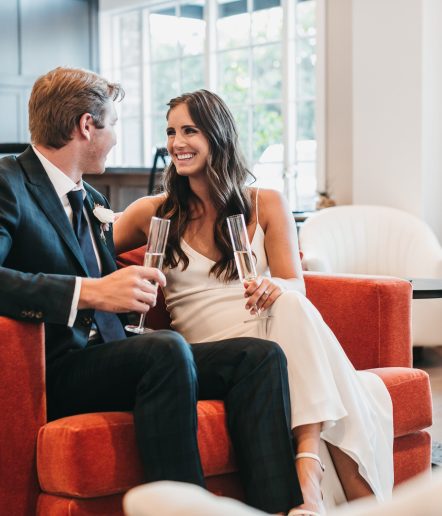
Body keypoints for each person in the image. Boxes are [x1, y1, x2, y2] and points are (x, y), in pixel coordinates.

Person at [0, 68, 305, 515]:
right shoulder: (9, 182)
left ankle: (277, 509)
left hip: (113, 353)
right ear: (88, 125)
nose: (117, 138)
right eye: (115, 123)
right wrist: (91, 292)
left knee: (258, 357)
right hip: (52, 369)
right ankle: (183, 510)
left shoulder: (88, 199)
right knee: (165, 349)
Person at [115, 89, 394, 516]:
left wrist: (275, 286)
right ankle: (331, 488)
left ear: (218, 135)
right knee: (336, 373)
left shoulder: (265, 203)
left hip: (268, 325)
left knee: (290, 305)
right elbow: (82, 242)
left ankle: (307, 469)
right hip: (212, 349)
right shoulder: (154, 213)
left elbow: (294, 285)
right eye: (171, 132)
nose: (176, 143)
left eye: (190, 130)